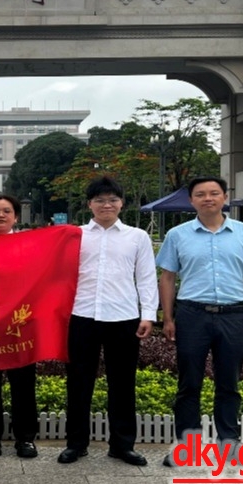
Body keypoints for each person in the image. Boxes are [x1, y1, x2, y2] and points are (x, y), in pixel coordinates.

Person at [156, 176, 243, 466]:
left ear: (225, 197)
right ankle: (188, 447)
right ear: (191, 200)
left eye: (214, 193)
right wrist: (167, 318)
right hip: (192, 315)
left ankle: (229, 443)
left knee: (229, 383)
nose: (208, 198)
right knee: (189, 383)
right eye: (201, 194)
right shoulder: (177, 235)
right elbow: (167, 278)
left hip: (233, 315)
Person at [58, 177, 158, 466]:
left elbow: (146, 277)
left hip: (123, 317)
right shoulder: (75, 236)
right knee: (78, 383)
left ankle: (122, 445)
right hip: (81, 316)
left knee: (123, 383)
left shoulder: (137, 237)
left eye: (112, 200)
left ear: (121, 203)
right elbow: (57, 273)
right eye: (100, 200)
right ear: (89, 204)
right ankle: (76, 444)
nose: (106, 205)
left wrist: (148, 314)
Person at [0, 192, 39, 459]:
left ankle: (26, 438)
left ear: (16, 216)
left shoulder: (29, 245)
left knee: (23, 383)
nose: (1, 215)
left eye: (7, 211)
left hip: (19, 323)